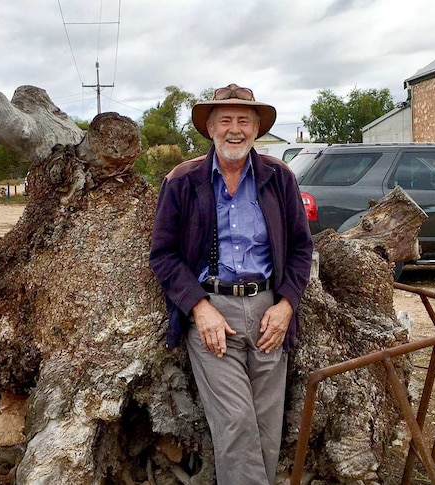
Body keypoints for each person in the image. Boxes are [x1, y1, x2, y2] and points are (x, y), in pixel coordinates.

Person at [149, 83, 314, 485]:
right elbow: (163, 255)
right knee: (237, 422)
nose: (234, 129)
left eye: (244, 120)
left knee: (265, 426)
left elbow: (301, 249)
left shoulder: (280, 177)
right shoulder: (183, 180)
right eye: (225, 120)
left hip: (268, 312)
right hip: (213, 313)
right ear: (210, 127)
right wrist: (198, 308)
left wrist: (286, 304)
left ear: (257, 128)